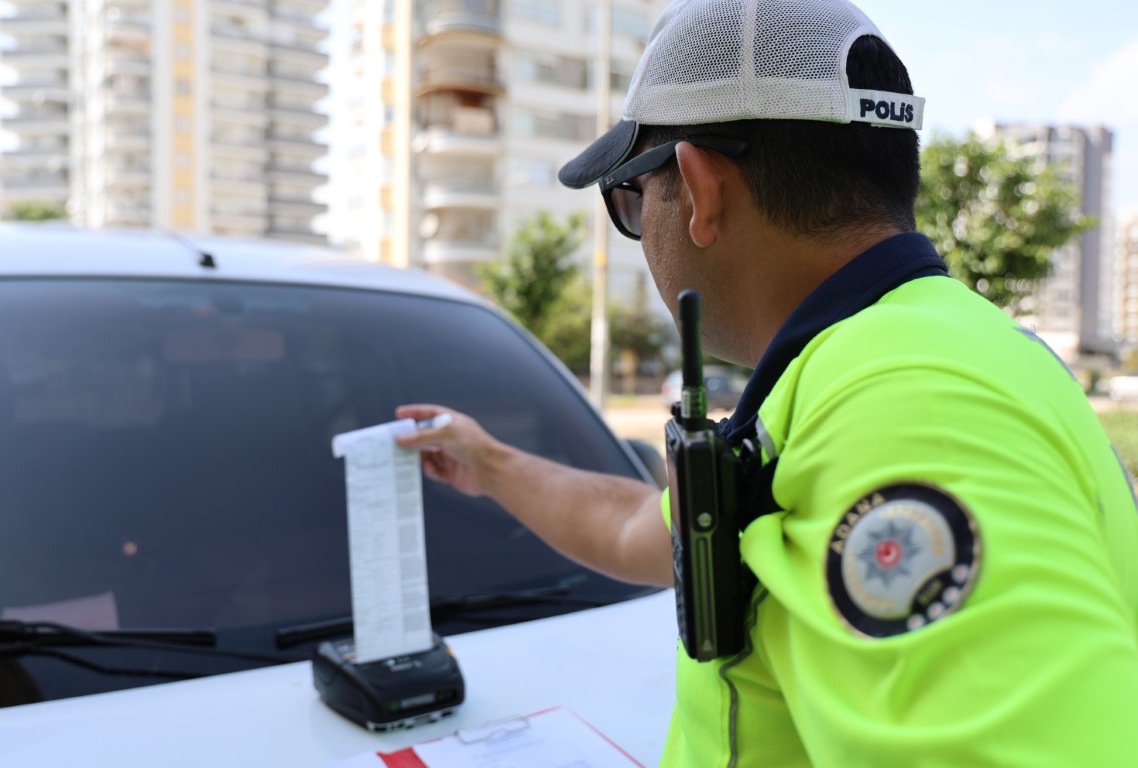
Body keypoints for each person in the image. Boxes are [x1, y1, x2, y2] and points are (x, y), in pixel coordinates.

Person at [397, 0, 1138, 764]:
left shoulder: (903, 400)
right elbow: (639, 531)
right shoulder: (905, 358)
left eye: (629, 195)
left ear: (700, 188)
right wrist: (488, 461)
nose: (637, 228)